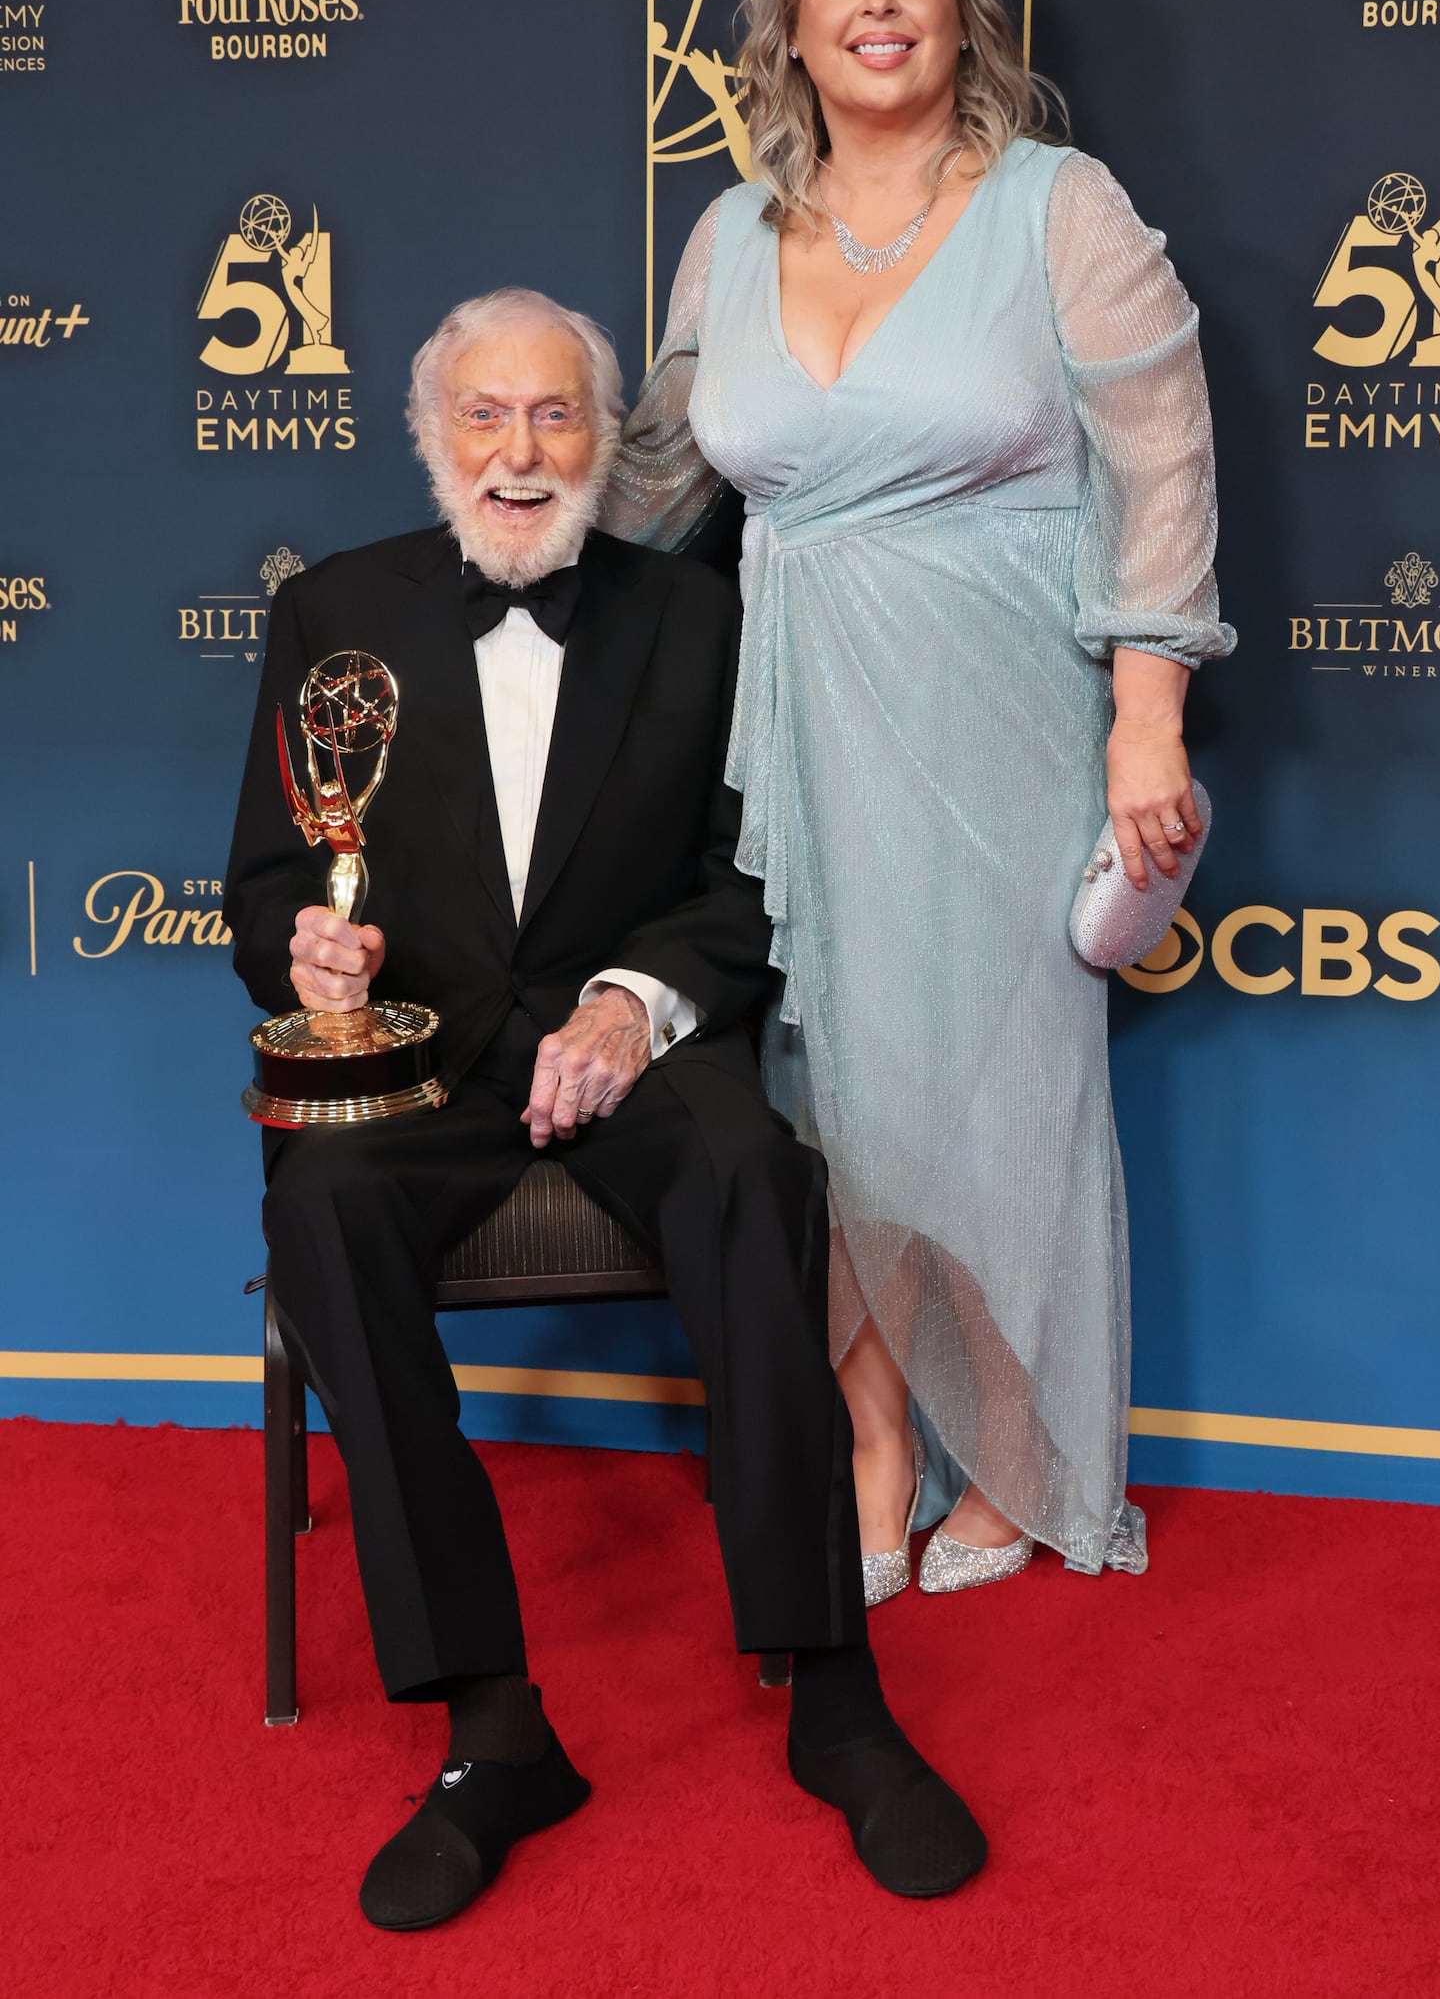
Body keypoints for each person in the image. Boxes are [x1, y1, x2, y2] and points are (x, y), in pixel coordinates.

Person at [223, 286, 986, 1930]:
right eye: (484, 415)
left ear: (604, 440)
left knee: (758, 1175)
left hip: (624, 1048)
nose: (519, 450)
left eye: (555, 413)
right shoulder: (332, 611)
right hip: (422, 1060)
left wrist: (635, 1005)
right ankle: (493, 1725)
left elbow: (749, 879)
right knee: (319, 1203)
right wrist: (309, 952)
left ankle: (835, 1691)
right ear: (431, 436)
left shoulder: (698, 616)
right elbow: (273, 876)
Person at [605, 0, 1234, 1605]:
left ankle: (1017, 1447)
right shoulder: (729, 235)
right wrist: (489, 511)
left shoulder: (1059, 208)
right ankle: (876, 1444)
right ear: (790, 19)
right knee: (824, 1098)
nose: (876, 3)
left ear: (964, 7)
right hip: (797, 724)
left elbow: (1163, 470)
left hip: (1003, 713)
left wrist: (1147, 719)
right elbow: (653, 483)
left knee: (997, 1092)